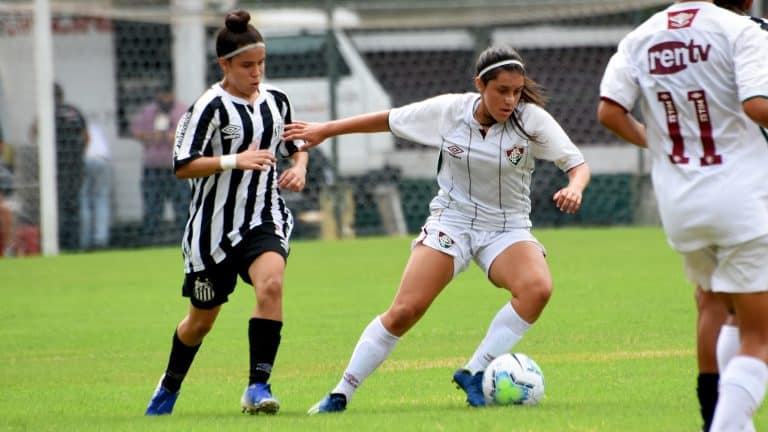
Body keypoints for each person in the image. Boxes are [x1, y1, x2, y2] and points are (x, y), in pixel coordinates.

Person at [284, 45, 590, 413]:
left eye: (516, 91)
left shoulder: (532, 120)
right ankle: (340, 393)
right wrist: (327, 131)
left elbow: (577, 164)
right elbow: (389, 119)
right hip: (452, 220)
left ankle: (475, 370)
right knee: (404, 311)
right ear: (480, 84)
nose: (510, 99)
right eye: (501, 90)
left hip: (506, 226)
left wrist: (574, 187)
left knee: (537, 289)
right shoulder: (449, 111)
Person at [597, 1, 768, 430]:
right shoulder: (739, 30)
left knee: (717, 304)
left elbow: (609, 112)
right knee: (760, 337)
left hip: (680, 204)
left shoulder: (642, 35)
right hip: (741, 199)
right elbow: (756, 105)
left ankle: (715, 415)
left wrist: (657, 144)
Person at [144, 9, 308, 416]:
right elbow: (182, 165)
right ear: (226, 65)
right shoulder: (207, 108)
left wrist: (299, 168)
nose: (257, 73)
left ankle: (258, 387)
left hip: (262, 217)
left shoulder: (277, 100)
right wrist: (235, 161)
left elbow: (295, 144)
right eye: (248, 65)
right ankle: (168, 386)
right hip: (211, 233)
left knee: (271, 285)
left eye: (261, 64)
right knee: (200, 322)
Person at [694, 1, 768, 430]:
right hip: (754, 185)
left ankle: (725, 422)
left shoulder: (681, 46)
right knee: (755, 325)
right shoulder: (757, 34)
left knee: (717, 305)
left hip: (701, 186)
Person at [130, 85, 189, 245]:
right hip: (153, 166)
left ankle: (184, 240)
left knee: (182, 205)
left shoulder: (183, 110)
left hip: (177, 167)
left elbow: (192, 133)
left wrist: (173, 136)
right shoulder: (149, 111)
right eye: (161, 96)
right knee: (152, 205)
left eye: (167, 95)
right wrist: (151, 136)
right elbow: (135, 131)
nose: (165, 99)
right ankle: (150, 241)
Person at [53, 83, 89, 251]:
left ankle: (60, 243)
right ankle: (76, 244)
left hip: (57, 168)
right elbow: (86, 137)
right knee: (74, 206)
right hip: (75, 166)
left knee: (59, 206)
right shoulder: (74, 111)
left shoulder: (48, 114)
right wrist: (79, 155)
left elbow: (35, 134)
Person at [79, 122, 112, 250]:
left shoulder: (75, 128)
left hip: (84, 159)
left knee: (84, 199)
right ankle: (101, 239)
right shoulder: (94, 127)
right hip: (102, 159)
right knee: (101, 199)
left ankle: (85, 240)